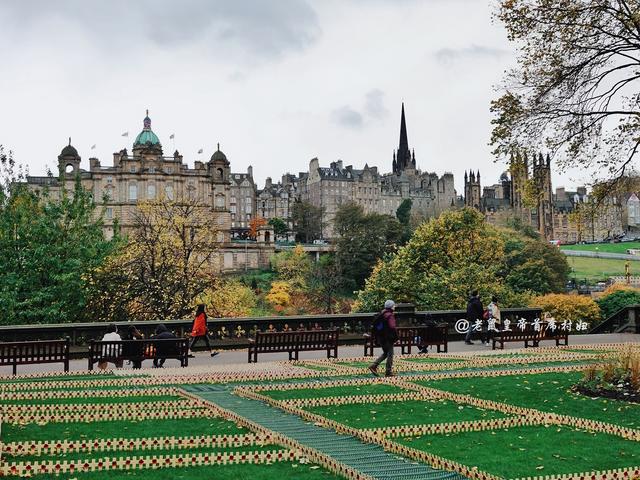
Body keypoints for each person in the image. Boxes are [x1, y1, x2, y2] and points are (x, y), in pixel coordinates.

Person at [368, 299, 398, 377]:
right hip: (388, 338)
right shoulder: (390, 315)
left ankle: (374, 365)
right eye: (394, 305)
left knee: (385, 353)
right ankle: (388, 372)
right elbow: (392, 326)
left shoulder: (381, 313)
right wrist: (395, 336)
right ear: (391, 307)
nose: (394, 306)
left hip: (380, 337)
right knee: (390, 354)